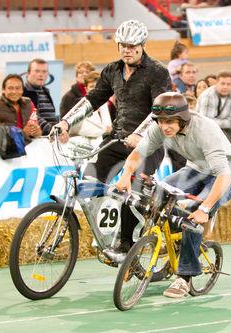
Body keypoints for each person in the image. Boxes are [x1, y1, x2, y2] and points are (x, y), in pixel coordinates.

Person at [54, 20, 171, 256]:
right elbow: (92, 100)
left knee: (134, 189)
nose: (126, 49)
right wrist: (65, 121)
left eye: (131, 45)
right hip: (117, 140)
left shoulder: (158, 71)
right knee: (90, 181)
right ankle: (106, 233)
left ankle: (126, 245)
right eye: (122, 45)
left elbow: (158, 109)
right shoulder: (111, 70)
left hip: (148, 143)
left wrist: (140, 134)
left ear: (141, 45)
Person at [114, 92, 231, 298]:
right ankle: (153, 245)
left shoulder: (204, 131)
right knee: (154, 196)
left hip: (224, 177)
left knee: (192, 217)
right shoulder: (159, 129)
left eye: (171, 121)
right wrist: (126, 175)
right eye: (161, 121)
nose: (165, 127)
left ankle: (185, 276)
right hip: (194, 169)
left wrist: (204, 209)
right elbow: (138, 153)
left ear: (183, 119)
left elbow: (223, 176)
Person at [0, 74, 42, 140]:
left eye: (18, 88)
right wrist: (22, 133)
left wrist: (37, 132)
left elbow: (36, 128)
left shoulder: (29, 102)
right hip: (6, 147)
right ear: (3, 90)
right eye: (10, 88)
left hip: (30, 144)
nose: (14, 92)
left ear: (22, 90)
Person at [23, 58, 58, 135]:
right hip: (35, 139)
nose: (41, 74)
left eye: (44, 71)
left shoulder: (45, 91)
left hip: (50, 137)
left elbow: (52, 117)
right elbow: (33, 117)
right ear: (28, 74)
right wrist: (55, 131)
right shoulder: (23, 92)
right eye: (37, 71)